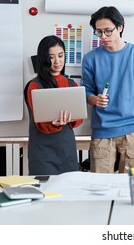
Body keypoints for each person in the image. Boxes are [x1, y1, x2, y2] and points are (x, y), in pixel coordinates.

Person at [82, 6, 134, 173]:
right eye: (99, 32)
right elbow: (86, 91)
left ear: (120, 27)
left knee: (133, 188)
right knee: (100, 189)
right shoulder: (91, 58)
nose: (103, 37)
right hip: (102, 133)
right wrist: (95, 99)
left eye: (108, 31)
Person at [24, 35, 83, 175]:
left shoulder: (71, 84)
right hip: (42, 152)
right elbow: (40, 122)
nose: (57, 61)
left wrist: (72, 118)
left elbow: (80, 116)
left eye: (61, 55)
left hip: (67, 149)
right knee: (44, 192)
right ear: (44, 58)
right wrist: (54, 123)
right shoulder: (34, 85)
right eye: (51, 57)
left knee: (68, 191)